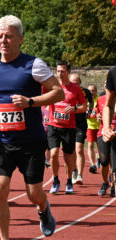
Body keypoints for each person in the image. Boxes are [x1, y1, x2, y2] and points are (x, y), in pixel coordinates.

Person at [0, 15, 63, 240]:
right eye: (0, 36)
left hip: (31, 141)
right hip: (2, 141)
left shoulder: (33, 65)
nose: (3, 40)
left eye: (9, 36)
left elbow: (57, 91)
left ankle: (43, 207)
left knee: (32, 192)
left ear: (20, 39)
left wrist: (31, 102)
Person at [48, 61, 87, 194]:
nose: (60, 74)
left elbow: (84, 107)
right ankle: (55, 179)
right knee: (53, 154)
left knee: (68, 156)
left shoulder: (75, 89)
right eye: (58, 71)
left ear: (68, 72)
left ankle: (69, 180)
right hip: (53, 125)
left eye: (63, 71)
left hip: (69, 127)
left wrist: (74, 108)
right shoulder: (52, 86)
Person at [69, 73, 93, 184]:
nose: (75, 84)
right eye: (73, 82)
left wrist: (89, 111)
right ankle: (73, 172)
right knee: (70, 151)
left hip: (81, 124)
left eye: (77, 82)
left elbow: (91, 102)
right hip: (68, 124)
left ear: (80, 83)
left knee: (79, 149)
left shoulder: (85, 92)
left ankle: (79, 175)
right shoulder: (66, 91)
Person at [95, 91, 116, 197]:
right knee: (104, 160)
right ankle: (105, 182)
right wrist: (98, 117)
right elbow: (97, 113)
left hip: (115, 133)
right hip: (103, 133)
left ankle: (113, 185)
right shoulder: (101, 99)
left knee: (114, 163)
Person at [85, 84, 100, 174]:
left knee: (100, 146)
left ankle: (99, 156)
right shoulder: (85, 100)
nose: (91, 92)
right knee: (90, 145)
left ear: (96, 91)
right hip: (90, 126)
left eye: (93, 90)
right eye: (90, 91)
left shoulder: (99, 99)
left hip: (99, 126)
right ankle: (92, 164)